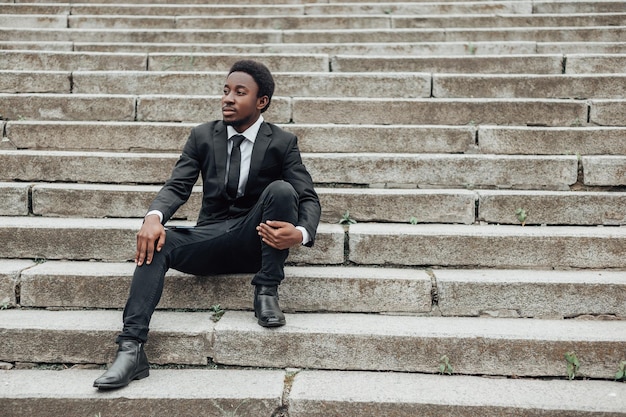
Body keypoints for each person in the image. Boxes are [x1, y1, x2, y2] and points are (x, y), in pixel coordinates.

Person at [93, 60, 321, 390]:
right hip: (210, 239)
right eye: (225, 91)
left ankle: (266, 290)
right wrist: (153, 217)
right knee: (157, 241)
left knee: (283, 190)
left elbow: (308, 197)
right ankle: (131, 349)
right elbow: (177, 185)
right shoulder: (202, 135)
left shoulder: (282, 142)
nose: (228, 98)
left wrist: (299, 234)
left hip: (255, 240)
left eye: (239, 92)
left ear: (262, 102)